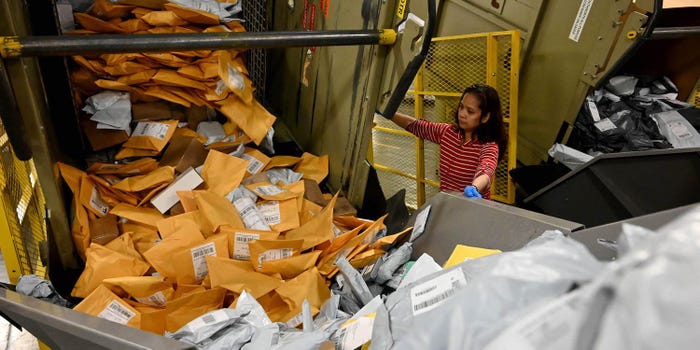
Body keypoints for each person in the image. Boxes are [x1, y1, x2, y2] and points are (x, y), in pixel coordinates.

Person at [380, 83, 507, 199]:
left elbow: (486, 171)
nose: (462, 114)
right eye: (461, 107)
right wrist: (388, 112)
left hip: (472, 209)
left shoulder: (488, 146)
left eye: (470, 111)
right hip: (447, 204)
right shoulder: (448, 132)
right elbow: (416, 125)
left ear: (485, 117)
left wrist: (474, 187)